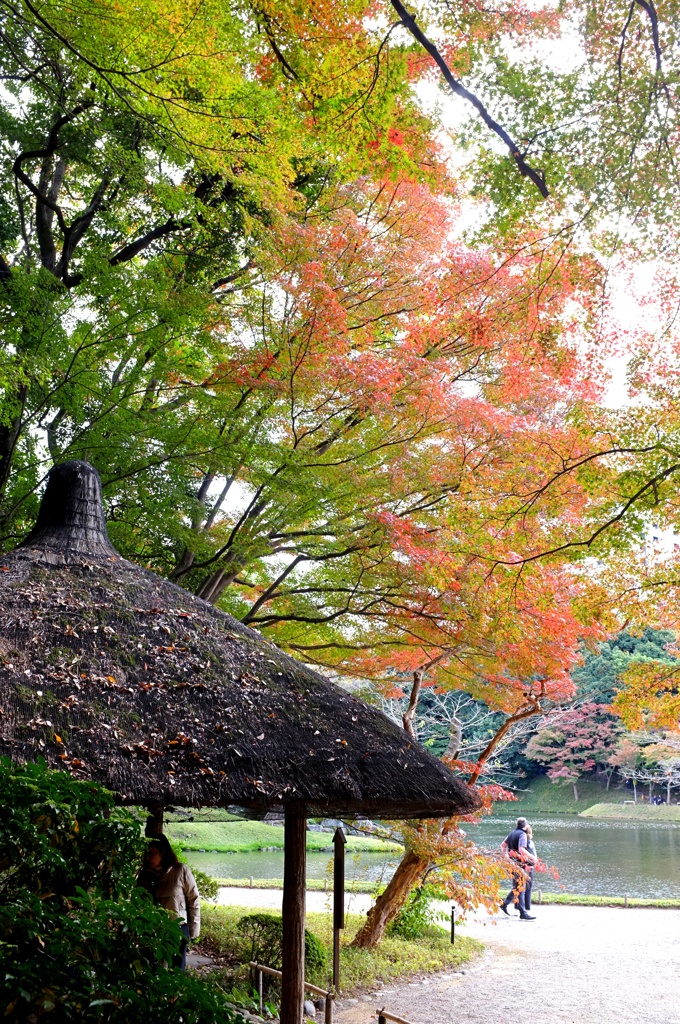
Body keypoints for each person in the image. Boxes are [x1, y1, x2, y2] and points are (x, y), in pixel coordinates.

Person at [137, 835, 201, 969]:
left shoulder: (180, 870)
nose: (148, 857)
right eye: (146, 853)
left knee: (176, 970)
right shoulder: (144, 876)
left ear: (163, 852)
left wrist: (193, 930)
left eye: (152, 853)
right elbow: (137, 902)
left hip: (177, 929)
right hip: (151, 930)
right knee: (151, 969)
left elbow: (193, 899)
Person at [500, 816, 537, 920]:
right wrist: (533, 858)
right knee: (520, 887)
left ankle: (504, 905)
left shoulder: (512, 833)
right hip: (520, 865)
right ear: (525, 825)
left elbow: (502, 846)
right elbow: (521, 849)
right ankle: (522, 913)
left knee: (517, 887)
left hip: (513, 864)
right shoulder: (522, 834)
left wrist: (506, 857)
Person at [524, 824, 537, 912]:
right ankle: (527, 907)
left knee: (520, 888)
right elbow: (535, 855)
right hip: (531, 866)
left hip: (524, 866)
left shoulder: (523, 842)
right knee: (528, 888)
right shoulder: (531, 843)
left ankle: (518, 907)